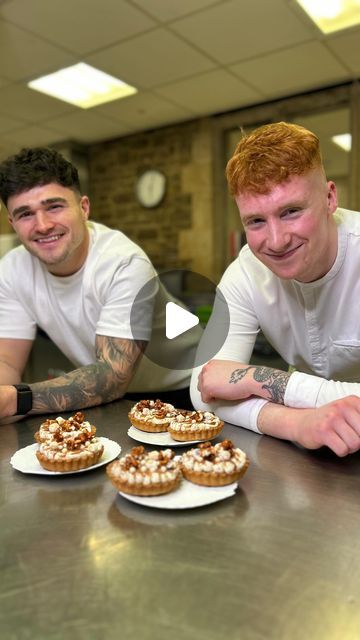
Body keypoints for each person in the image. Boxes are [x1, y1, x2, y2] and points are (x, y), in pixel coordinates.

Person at [191, 121, 360, 457]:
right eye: (256, 221)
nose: (276, 240)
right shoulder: (244, 274)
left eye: (291, 211)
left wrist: (257, 379)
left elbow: (228, 384)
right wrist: (298, 425)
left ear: (329, 197)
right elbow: (205, 390)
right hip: (309, 454)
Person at [0, 146, 201, 420]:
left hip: (186, 388)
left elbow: (112, 375)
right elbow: (7, 361)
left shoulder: (123, 263)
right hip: (111, 395)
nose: (43, 225)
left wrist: (15, 399)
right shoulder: (12, 269)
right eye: (25, 214)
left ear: (83, 208)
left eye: (54, 207)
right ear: (12, 222)